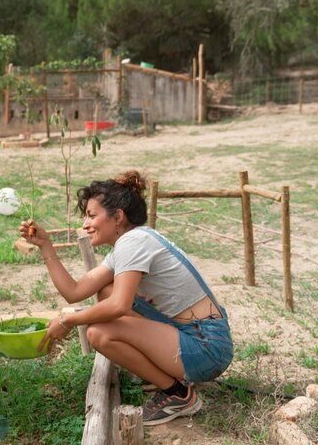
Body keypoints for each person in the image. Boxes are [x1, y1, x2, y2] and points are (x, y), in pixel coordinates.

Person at [19, 170, 233, 426]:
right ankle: (167, 373)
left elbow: (119, 306)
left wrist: (69, 320)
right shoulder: (130, 243)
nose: (85, 225)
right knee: (106, 290)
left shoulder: (134, 242)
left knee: (100, 333)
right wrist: (46, 246)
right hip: (193, 334)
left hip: (207, 347)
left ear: (117, 217)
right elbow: (74, 292)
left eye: (91, 215)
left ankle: (177, 394)